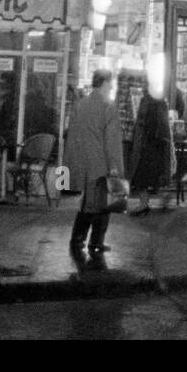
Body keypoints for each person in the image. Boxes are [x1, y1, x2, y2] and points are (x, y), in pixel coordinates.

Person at [66, 69, 123, 271]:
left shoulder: (81, 105)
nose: (113, 86)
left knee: (89, 204)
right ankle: (92, 242)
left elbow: (72, 136)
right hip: (101, 163)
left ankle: (80, 240)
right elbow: (112, 141)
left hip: (84, 163)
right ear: (106, 83)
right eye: (111, 82)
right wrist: (115, 166)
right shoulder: (108, 106)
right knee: (103, 205)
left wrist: (71, 166)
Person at [129, 88, 174, 213]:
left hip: (150, 145)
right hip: (155, 145)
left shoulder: (151, 102)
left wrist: (144, 138)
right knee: (153, 177)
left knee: (142, 176)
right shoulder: (158, 102)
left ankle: (145, 204)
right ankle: (156, 200)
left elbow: (147, 123)